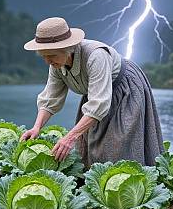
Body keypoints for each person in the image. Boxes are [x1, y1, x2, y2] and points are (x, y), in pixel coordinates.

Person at [21, 16, 164, 168]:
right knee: (91, 146)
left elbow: (99, 104)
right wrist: (37, 127)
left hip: (124, 90)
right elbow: (50, 98)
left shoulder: (96, 56)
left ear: (68, 49)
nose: (48, 61)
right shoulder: (56, 64)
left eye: (52, 55)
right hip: (96, 94)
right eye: (44, 56)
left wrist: (70, 137)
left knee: (120, 144)